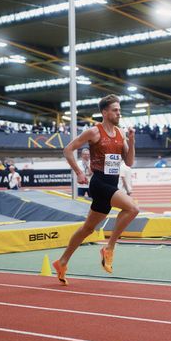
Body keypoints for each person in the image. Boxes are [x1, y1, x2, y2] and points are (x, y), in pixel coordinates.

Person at [53, 94, 138, 284]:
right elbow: (68, 149)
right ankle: (109, 247)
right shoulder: (94, 132)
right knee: (132, 208)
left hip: (112, 183)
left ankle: (62, 261)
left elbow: (129, 162)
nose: (119, 113)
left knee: (88, 228)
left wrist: (131, 141)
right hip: (99, 183)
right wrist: (78, 172)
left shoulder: (120, 133)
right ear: (105, 112)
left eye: (119, 110)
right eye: (115, 110)